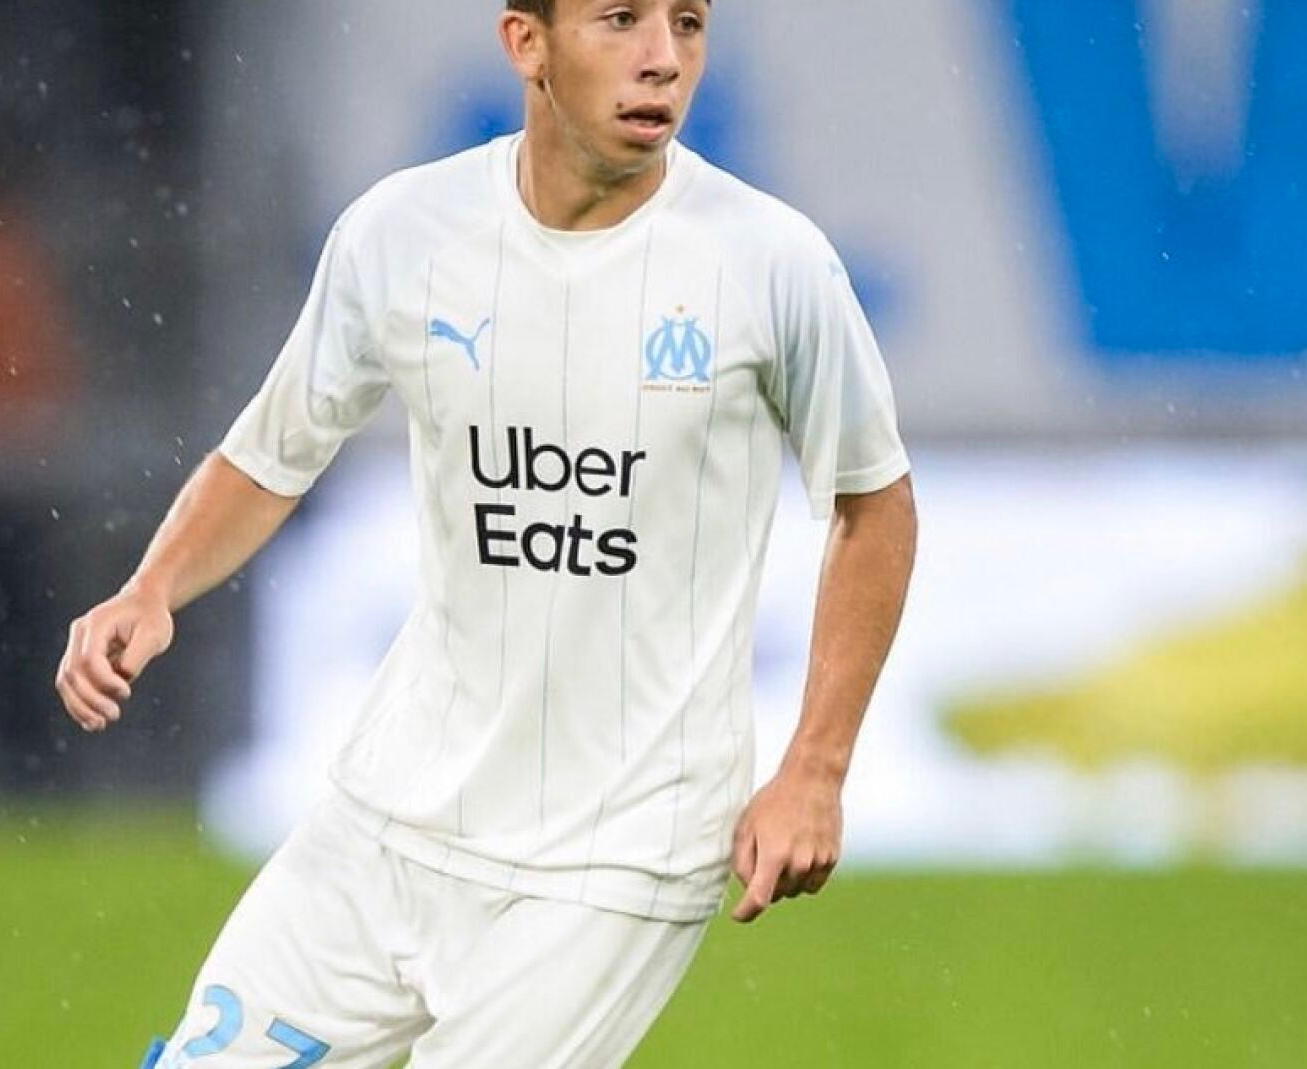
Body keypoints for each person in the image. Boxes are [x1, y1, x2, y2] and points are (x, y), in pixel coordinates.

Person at [55, 1, 917, 1064]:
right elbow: (275, 450)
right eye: (621, 19)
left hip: (617, 855)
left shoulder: (771, 263)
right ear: (525, 43)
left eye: (688, 23)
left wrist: (816, 768)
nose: (663, 59)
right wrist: (152, 587)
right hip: (389, 816)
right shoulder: (402, 233)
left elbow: (873, 503)